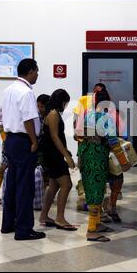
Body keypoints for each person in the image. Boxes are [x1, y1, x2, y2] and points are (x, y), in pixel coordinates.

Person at [0, 58, 45, 241]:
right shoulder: (26, 92)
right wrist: (34, 141)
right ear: (31, 71)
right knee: (25, 187)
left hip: (10, 140)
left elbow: (2, 117)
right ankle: (24, 229)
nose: (37, 75)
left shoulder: (8, 90)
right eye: (37, 71)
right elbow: (28, 120)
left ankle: (8, 224)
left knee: (11, 185)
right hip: (24, 141)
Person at [76, 90, 131, 242]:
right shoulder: (106, 119)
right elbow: (113, 142)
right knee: (96, 192)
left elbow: (78, 137)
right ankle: (91, 230)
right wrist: (124, 162)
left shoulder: (86, 116)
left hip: (86, 157)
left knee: (92, 189)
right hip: (98, 159)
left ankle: (98, 223)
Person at [38, 89, 77, 231]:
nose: (66, 106)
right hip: (53, 156)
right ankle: (60, 218)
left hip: (53, 154)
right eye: (65, 102)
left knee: (54, 185)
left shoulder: (52, 113)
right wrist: (66, 156)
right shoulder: (54, 114)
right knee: (66, 184)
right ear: (61, 101)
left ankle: (43, 216)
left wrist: (66, 152)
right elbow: (55, 137)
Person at [36, 94, 51, 194]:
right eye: (38, 106)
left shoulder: (50, 116)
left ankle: (44, 194)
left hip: (47, 149)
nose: (40, 109)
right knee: (39, 172)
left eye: (42, 107)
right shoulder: (34, 117)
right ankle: (40, 194)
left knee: (47, 172)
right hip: (38, 149)